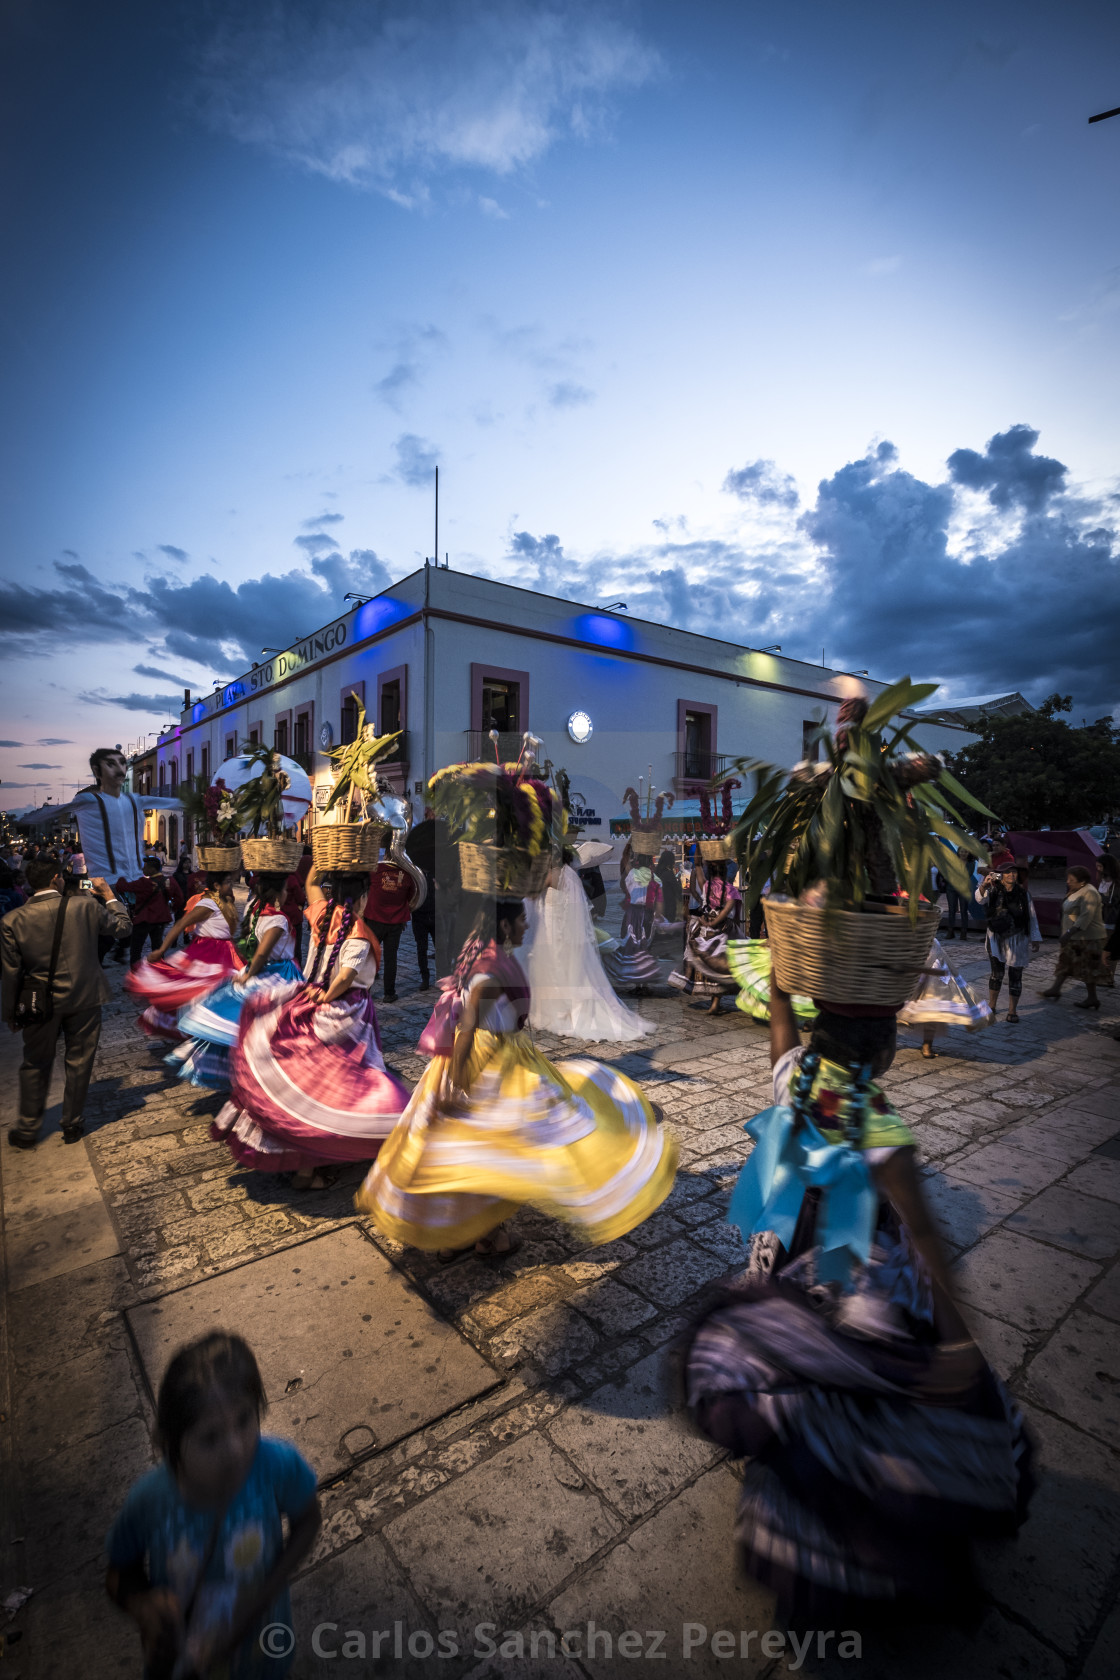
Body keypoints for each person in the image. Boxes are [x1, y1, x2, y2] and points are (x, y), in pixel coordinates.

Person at [683, 977, 1033, 1624]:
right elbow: (925, 1235)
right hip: (854, 1281)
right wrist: (957, 1340)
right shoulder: (879, 1121)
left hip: (784, 1258)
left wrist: (786, 985)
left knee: (801, 1388)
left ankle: (794, 1502)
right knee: (871, 1398)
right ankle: (875, 1545)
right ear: (882, 1052)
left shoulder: (796, 1076)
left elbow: (780, 1029)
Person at [356, 898, 678, 1259]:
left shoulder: (478, 953)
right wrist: (460, 1083)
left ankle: (464, 1234)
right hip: (489, 1062)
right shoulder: (490, 972)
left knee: (474, 1149)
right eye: (522, 920)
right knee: (504, 1145)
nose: (527, 926)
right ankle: (482, 1234)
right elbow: (466, 1029)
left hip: (474, 1059)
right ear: (506, 926)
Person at [105, 1331, 320, 1680]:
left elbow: (308, 1520)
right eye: (210, 1437)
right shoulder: (151, 1500)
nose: (236, 1450)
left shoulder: (276, 1465)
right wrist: (142, 1604)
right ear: (166, 1444)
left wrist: (262, 1597)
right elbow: (118, 1572)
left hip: (264, 1658)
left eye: (244, 1419)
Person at [211, 866, 410, 1189]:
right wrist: (328, 995)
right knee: (340, 1086)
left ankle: (305, 1166)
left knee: (307, 1083)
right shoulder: (358, 931)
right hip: (344, 1012)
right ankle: (317, 1163)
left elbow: (311, 882)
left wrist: (324, 855)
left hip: (305, 1001)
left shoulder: (321, 915)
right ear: (362, 898)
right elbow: (345, 976)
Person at [1, 858, 130, 1146]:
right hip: (84, 996)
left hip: (39, 1003)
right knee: (79, 1060)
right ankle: (72, 1123)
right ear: (56, 879)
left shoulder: (12, 920)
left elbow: (10, 972)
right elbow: (123, 928)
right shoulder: (84, 906)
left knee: (34, 1062)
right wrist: (108, 895)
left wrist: (10, 1012)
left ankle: (27, 1127)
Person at [169, 873, 304, 1090]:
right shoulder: (278, 919)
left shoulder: (255, 912)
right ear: (279, 893)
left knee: (250, 1021)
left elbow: (252, 950)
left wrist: (247, 971)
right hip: (280, 972)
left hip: (259, 969)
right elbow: (262, 953)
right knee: (282, 1025)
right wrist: (249, 975)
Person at [520, 854, 654, 1041]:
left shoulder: (556, 874)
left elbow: (533, 892)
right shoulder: (569, 874)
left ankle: (562, 1012)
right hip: (558, 930)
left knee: (558, 971)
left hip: (555, 933)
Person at [124, 873, 242, 1039]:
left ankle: (215, 1027)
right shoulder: (208, 904)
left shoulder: (227, 902)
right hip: (208, 952)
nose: (231, 885)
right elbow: (180, 924)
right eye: (228, 882)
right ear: (216, 885)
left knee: (228, 989)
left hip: (226, 952)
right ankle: (197, 1028)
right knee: (201, 990)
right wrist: (161, 950)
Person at [72, 747, 181, 885]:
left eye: (121, 763)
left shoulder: (131, 802)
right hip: (107, 884)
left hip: (127, 884)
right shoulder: (87, 801)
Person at [669, 856, 743, 1015]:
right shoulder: (731, 890)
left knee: (707, 963)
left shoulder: (707, 886)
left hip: (704, 927)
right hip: (722, 929)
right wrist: (716, 922)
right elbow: (727, 912)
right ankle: (715, 1002)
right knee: (720, 965)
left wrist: (698, 858)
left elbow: (699, 872)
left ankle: (712, 1001)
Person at [898, 935, 993, 1056]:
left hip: (922, 950)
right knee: (931, 1002)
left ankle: (923, 1042)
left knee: (931, 1002)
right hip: (919, 948)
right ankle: (925, 1045)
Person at [976, 857, 1040, 1024]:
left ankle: (1012, 1011)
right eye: (1007, 872)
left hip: (1017, 937)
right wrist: (985, 883)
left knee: (1015, 974)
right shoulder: (992, 890)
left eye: (1014, 871)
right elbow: (979, 899)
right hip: (996, 937)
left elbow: (1031, 916)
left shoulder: (1024, 894)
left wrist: (1035, 937)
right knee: (996, 974)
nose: (1012, 874)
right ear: (1000, 875)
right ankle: (992, 1005)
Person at [1041, 864, 1108, 1010]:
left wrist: (1070, 932)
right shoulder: (1076, 891)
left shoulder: (1089, 892)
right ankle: (1055, 989)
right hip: (1073, 936)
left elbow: (1086, 916)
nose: (1068, 881)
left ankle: (1092, 998)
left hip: (1087, 938)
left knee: (1087, 967)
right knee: (1065, 962)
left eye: (1071, 879)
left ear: (1082, 881)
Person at [601, 840, 664, 990]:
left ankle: (637, 984)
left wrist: (628, 845)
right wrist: (658, 917)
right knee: (645, 948)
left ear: (637, 860)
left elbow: (624, 862)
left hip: (632, 914)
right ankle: (645, 984)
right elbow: (659, 901)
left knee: (633, 948)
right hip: (648, 915)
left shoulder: (632, 874)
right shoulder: (656, 878)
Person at [364, 834, 414, 1003]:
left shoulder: (375, 871)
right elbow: (411, 897)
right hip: (395, 922)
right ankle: (389, 992)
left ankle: (366, 990)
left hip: (374, 919)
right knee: (391, 958)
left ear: (386, 854)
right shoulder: (407, 875)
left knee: (371, 956)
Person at [116, 856, 185, 968]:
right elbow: (180, 899)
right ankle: (159, 971)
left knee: (136, 949)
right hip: (160, 920)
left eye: (145, 867)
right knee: (157, 948)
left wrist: (121, 877)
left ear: (152, 869)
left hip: (143, 920)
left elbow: (122, 887)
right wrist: (172, 909)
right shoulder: (169, 881)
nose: (143, 870)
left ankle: (136, 974)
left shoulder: (143, 883)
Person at [942, 850, 977, 940]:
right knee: (951, 910)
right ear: (958, 852)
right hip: (951, 888)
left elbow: (967, 875)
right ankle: (950, 931)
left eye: (965, 852)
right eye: (961, 851)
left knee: (963, 910)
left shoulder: (971, 863)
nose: (963, 853)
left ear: (969, 853)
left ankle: (963, 932)